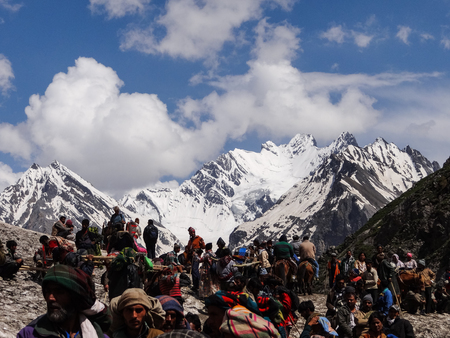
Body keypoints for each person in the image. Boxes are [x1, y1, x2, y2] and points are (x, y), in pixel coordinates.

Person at [17, 265, 111, 338]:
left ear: (75, 297)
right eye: (47, 291)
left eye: (59, 292)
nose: (50, 298)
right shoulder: (30, 334)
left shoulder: (96, 334)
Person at [185, 227, 205, 292]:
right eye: (190, 233)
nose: (191, 234)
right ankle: (195, 285)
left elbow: (203, 247)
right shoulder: (190, 241)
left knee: (195, 270)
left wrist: (201, 243)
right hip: (192, 257)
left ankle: (198, 284)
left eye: (191, 232)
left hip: (197, 257)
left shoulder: (199, 239)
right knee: (194, 270)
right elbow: (188, 248)